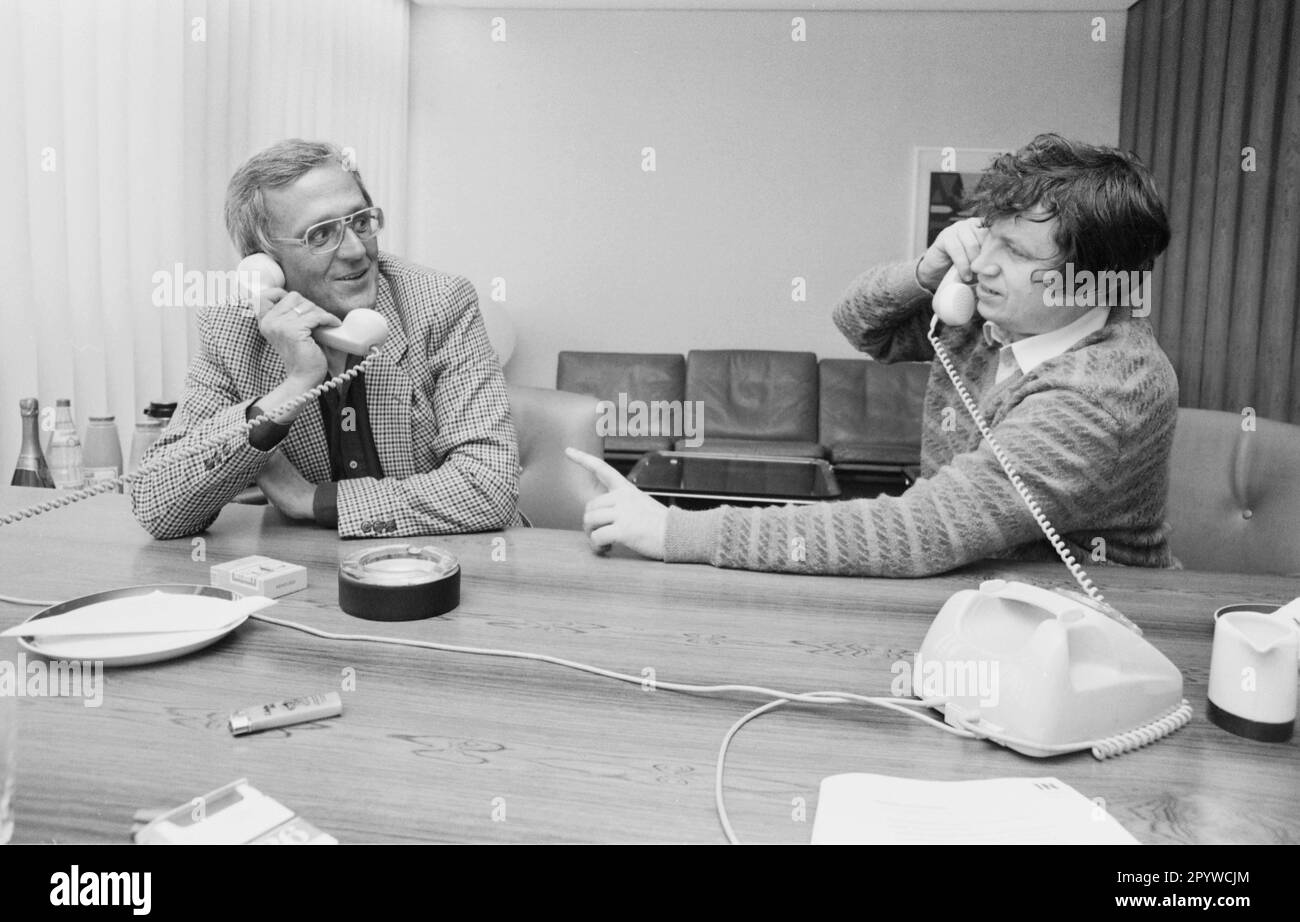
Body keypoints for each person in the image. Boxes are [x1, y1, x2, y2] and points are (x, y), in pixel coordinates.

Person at [568, 133, 1177, 575]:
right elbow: (863, 327)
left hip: (1088, 618)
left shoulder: (1105, 389)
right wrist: (929, 268)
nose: (985, 262)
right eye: (986, 232)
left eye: (1017, 252)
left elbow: (925, 530)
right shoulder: (991, 313)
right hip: (976, 586)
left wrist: (677, 529)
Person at [131, 139, 519, 539]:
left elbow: (488, 486)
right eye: (321, 235)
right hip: (314, 581)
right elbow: (158, 509)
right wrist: (293, 389)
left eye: (361, 222)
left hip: (448, 570)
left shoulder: (439, 304)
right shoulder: (234, 332)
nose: (355, 250)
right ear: (264, 264)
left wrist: (313, 500)